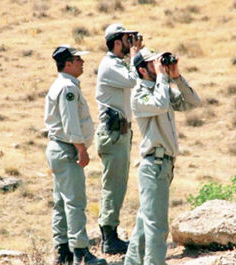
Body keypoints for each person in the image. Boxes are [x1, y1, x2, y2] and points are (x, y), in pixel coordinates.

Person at [124, 48, 201, 265]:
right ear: (142, 69)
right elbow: (159, 104)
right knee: (157, 228)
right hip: (154, 164)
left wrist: (176, 77)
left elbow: (193, 102)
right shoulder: (140, 94)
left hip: (164, 165)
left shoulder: (162, 88)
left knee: (144, 223)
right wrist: (162, 78)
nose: (158, 66)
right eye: (152, 63)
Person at [44, 44, 107, 265]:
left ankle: (63, 252)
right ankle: (81, 252)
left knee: (61, 203)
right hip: (67, 149)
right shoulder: (68, 88)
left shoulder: (61, 85)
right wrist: (81, 148)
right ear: (68, 64)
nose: (82, 62)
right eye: (78, 59)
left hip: (58, 148)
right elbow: (70, 122)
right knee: (75, 203)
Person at [95, 23, 143, 254]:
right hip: (113, 134)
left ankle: (110, 234)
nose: (130, 42)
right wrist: (135, 55)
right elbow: (134, 80)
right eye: (127, 39)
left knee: (118, 184)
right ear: (116, 41)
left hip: (119, 133)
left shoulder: (117, 64)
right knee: (113, 186)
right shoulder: (109, 66)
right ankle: (109, 237)